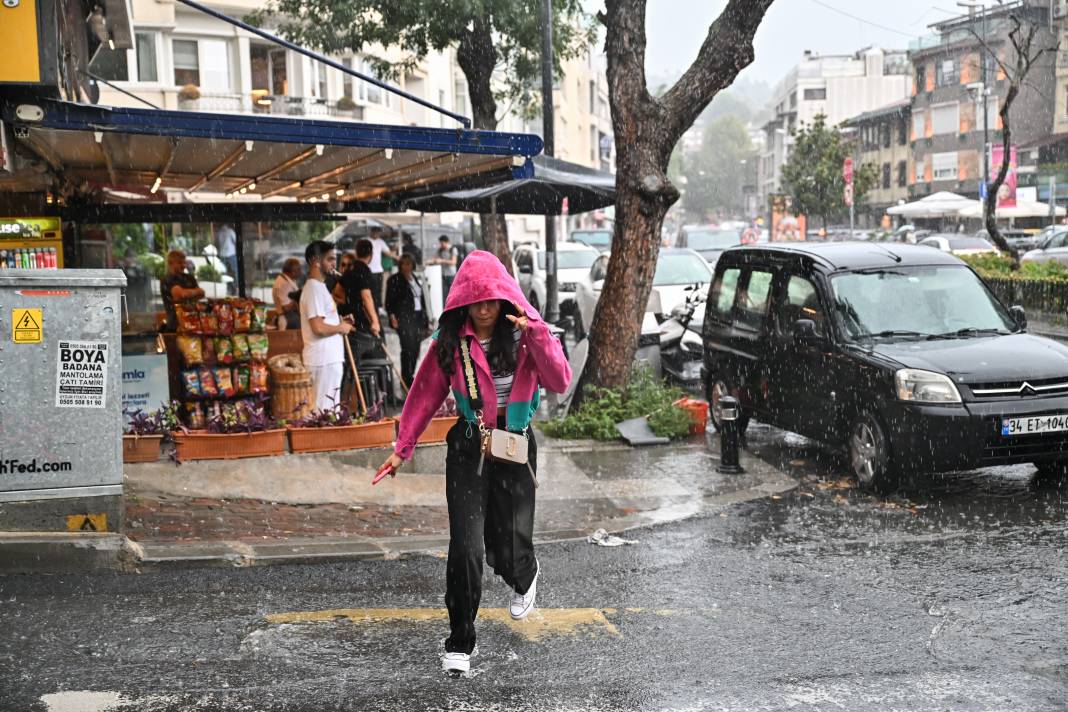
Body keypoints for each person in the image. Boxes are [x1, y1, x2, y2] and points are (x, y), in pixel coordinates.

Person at [378, 251, 571, 676]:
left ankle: (524, 573)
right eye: (475, 300)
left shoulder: (525, 335)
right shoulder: (450, 342)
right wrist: (402, 447)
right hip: (469, 447)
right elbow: (424, 393)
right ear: (462, 300)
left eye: (492, 299)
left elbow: (559, 380)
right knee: (466, 545)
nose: (484, 309)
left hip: (515, 446)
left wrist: (537, 332)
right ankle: (461, 641)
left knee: (508, 547)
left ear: (504, 298)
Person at [299, 241, 354, 410]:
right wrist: (340, 328)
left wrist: (340, 322)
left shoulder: (319, 287)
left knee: (329, 411)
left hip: (327, 359)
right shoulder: (313, 289)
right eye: (330, 259)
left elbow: (323, 322)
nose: (334, 264)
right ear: (316, 261)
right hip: (323, 360)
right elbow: (318, 327)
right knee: (325, 412)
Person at [385, 253, 429, 387]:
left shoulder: (415, 278)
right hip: (403, 318)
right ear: (400, 265)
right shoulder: (394, 279)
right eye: (403, 263)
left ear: (413, 264)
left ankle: (411, 375)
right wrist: (392, 316)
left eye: (409, 263)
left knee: (416, 348)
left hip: (417, 317)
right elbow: (389, 301)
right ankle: (406, 377)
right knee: (407, 348)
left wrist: (426, 319)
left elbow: (421, 299)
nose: (406, 266)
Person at [160, 250, 204, 331]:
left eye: (184, 262)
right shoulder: (167, 279)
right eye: (180, 263)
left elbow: (202, 293)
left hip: (193, 324)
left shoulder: (189, 278)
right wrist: (194, 292)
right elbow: (178, 295)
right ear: (171, 263)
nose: (184, 265)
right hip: (175, 326)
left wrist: (185, 294)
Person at [367, 227, 397, 311]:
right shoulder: (366, 240)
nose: (377, 234)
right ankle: (370, 307)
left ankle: (378, 307)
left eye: (379, 233)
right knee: (370, 290)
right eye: (376, 232)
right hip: (369, 269)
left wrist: (397, 256)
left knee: (378, 290)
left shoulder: (381, 242)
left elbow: (388, 253)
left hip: (378, 270)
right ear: (372, 232)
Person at [272, 257, 302, 330]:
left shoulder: (285, 280)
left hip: (290, 317)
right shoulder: (284, 284)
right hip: (289, 319)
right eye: (299, 269)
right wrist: (296, 300)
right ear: (293, 271)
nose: (301, 272)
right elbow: (285, 307)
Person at [215, 224, 238, 294]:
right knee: (235, 271)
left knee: (224, 273)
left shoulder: (219, 232)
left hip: (222, 254)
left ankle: (229, 288)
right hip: (231, 253)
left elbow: (217, 243)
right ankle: (236, 287)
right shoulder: (230, 231)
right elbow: (236, 241)